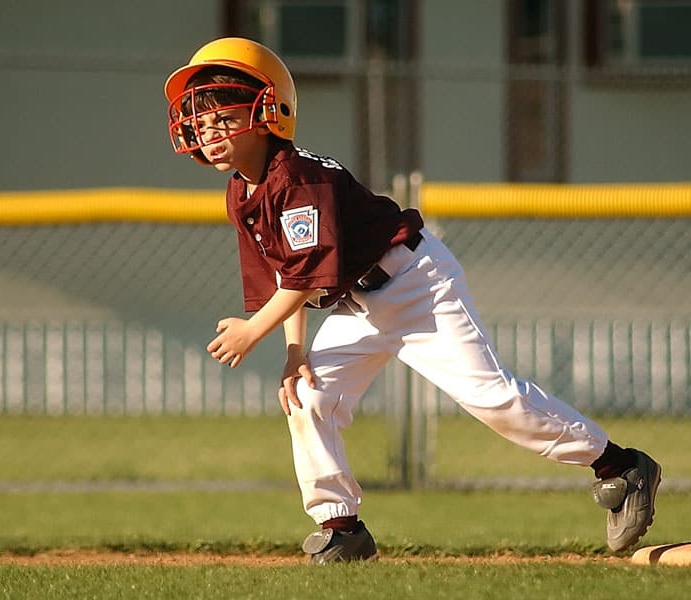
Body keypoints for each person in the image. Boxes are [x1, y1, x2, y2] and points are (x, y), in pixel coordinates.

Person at [163, 37, 661, 564]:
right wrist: (293, 352)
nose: (207, 131)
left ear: (269, 110)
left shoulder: (298, 177)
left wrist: (252, 331)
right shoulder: (242, 192)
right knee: (307, 397)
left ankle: (621, 467)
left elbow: (306, 275)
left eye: (222, 116)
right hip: (356, 303)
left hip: (415, 283)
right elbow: (287, 275)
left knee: (492, 400)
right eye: (199, 119)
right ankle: (341, 528)